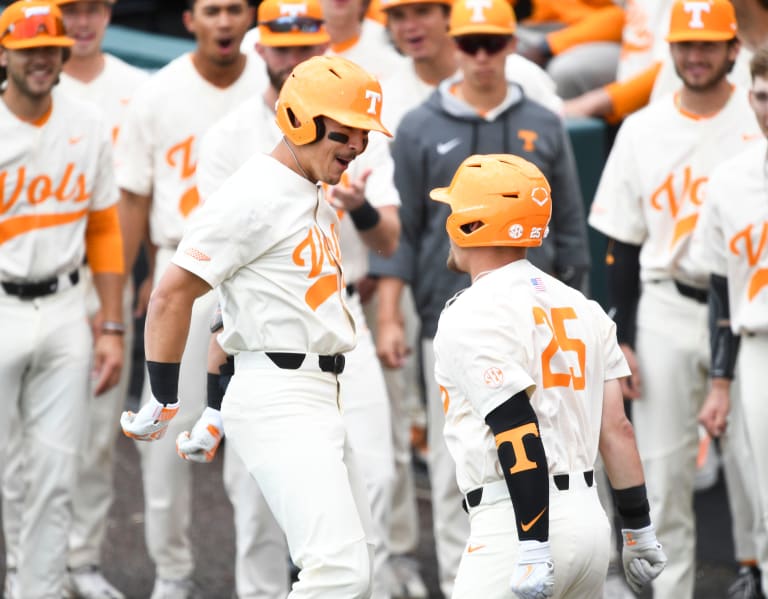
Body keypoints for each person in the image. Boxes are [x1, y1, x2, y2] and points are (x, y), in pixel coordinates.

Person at [120, 53, 392, 598]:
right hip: (281, 397)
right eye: (345, 132)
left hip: (315, 389)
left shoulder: (310, 193)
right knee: (337, 574)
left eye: (364, 135)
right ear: (299, 121)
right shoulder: (255, 192)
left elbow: (234, 311)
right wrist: (165, 398)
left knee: (358, 568)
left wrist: (218, 408)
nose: (358, 147)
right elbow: (172, 294)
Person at [370, 2, 590, 596]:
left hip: (540, 320)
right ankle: (458, 583)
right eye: (472, 43)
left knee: (559, 449)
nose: (482, 54)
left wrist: (596, 319)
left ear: (511, 42)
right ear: (454, 41)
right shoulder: (418, 123)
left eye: (494, 42)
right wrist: (390, 311)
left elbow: (570, 228)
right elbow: (405, 230)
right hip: (450, 317)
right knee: (455, 466)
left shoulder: (542, 119)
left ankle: (551, 567)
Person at [183, 1, 400, 597]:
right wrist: (215, 393)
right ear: (262, 49)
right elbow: (214, 270)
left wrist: (359, 208)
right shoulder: (232, 137)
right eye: (283, 46)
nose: (293, 58)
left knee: (372, 483)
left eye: (307, 47)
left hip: (341, 315)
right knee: (257, 508)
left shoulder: (354, 120)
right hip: (263, 332)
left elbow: (389, 242)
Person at [429, 153, 667, 598]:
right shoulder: (582, 305)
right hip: (590, 524)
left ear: (472, 223)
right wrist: (637, 528)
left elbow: (516, 428)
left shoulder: (472, 311)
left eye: (454, 209)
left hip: (517, 522)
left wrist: (534, 546)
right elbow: (617, 429)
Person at [587, 1, 761, 597]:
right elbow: (622, 243)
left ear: (734, 49)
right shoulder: (644, 127)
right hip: (665, 303)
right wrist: (625, 336)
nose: (695, 55)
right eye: (686, 44)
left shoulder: (756, 114)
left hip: (748, 313)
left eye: (708, 44)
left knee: (754, 472)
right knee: (662, 475)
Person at [113, 1, 260, 596]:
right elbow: (136, 195)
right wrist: (138, 278)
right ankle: (172, 574)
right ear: (189, 20)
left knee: (261, 441)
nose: (224, 22)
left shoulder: (276, 81)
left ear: (249, 17)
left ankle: (266, 583)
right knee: (166, 435)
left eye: (234, 9)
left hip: (260, 280)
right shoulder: (160, 92)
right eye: (212, 10)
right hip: (187, 272)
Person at [0, 1, 125, 597]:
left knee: (54, 471)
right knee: (8, 472)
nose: (42, 60)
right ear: (4, 54)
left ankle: (38, 589)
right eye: (28, 50)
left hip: (67, 309)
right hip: (2, 307)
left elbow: (104, 227)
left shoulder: (89, 120)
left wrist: (111, 326)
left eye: (49, 48)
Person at [691, 47, 768, 598]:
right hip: (757, 345)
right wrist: (721, 383)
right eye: (763, 96)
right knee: (764, 498)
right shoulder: (731, 181)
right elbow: (719, 287)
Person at [512, 0, 625, 99]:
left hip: (601, 34)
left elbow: (624, 15)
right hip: (539, 29)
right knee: (499, 45)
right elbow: (497, 8)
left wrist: (548, 47)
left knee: (563, 71)